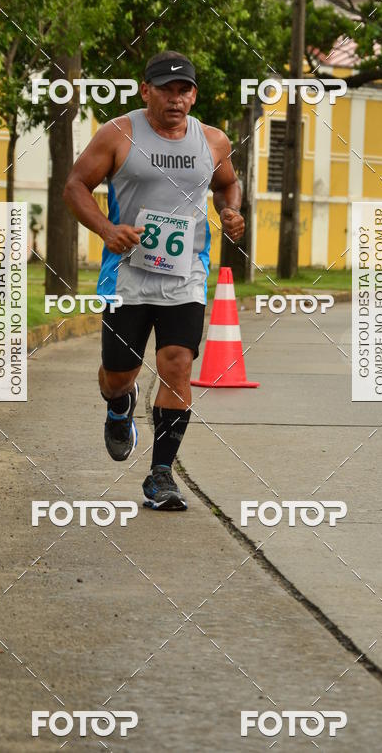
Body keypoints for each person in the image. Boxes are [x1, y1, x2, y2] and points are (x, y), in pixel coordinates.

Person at [63, 51, 244, 510]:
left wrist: (231, 209)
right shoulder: (119, 134)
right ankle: (119, 404)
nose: (175, 98)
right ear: (146, 91)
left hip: (185, 278)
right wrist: (107, 229)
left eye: (184, 90)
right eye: (165, 89)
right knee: (118, 375)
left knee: (178, 363)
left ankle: (161, 474)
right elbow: (75, 185)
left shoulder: (213, 140)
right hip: (126, 277)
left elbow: (227, 181)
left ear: (194, 95)